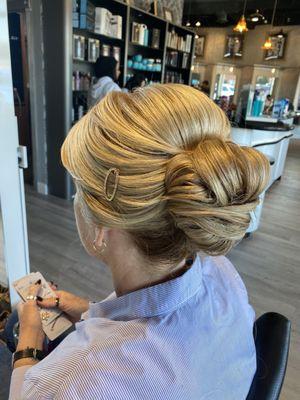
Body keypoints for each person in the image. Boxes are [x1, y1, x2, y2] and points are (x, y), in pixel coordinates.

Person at [9, 84, 269, 400]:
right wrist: (90, 310)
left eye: (81, 191)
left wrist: (30, 336)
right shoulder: (223, 274)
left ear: (102, 223)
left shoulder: (73, 383)